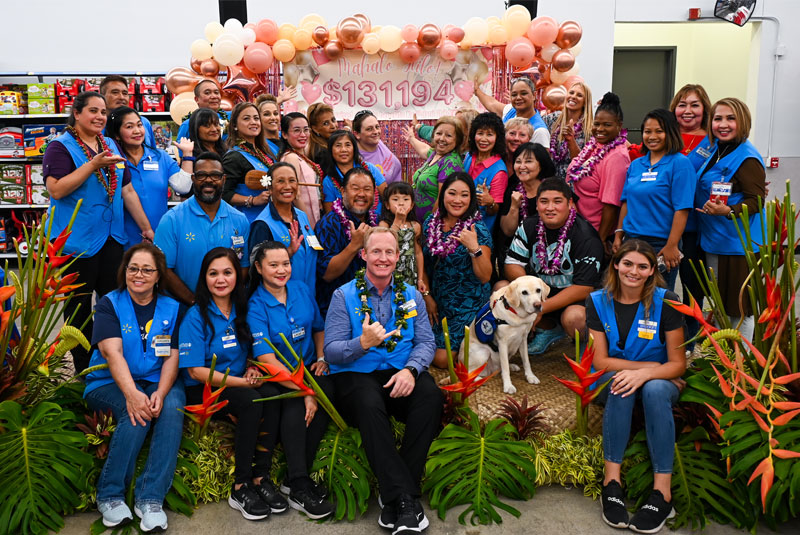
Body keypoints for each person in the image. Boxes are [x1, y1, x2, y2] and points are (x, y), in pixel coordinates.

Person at [324, 226, 440, 534]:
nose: (383, 258)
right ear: (363, 255)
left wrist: (412, 369)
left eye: (389, 252)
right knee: (367, 401)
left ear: (398, 257)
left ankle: (396, 494)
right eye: (376, 251)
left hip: (399, 372)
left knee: (430, 395)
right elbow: (332, 351)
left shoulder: (411, 294)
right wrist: (361, 343)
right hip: (357, 375)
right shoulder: (343, 295)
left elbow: (426, 342)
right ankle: (404, 499)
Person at [178, 248, 286, 521]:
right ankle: (240, 486)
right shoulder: (196, 315)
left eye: (227, 272)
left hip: (238, 382)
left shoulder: (242, 310)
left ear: (237, 276)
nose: (221, 279)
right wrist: (242, 382)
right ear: (204, 278)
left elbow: (247, 352)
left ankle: (261, 477)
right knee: (251, 402)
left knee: (272, 395)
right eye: (213, 273)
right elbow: (195, 371)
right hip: (205, 390)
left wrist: (251, 368)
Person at [83, 243, 184, 532]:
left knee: (172, 407)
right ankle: (110, 495)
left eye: (146, 269)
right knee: (136, 415)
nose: (138, 274)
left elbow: (172, 357)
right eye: (133, 268)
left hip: (156, 379)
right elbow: (111, 353)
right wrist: (132, 394)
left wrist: (161, 393)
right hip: (108, 382)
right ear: (124, 271)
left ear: (158, 276)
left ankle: (150, 499)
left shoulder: (172, 308)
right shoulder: (109, 304)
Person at [589, 239, 686, 534]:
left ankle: (662, 493)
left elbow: (678, 363)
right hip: (616, 375)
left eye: (642, 266)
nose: (633, 271)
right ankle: (612, 483)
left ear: (651, 270)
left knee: (655, 391)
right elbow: (601, 361)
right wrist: (642, 371)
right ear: (616, 264)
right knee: (621, 384)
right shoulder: (596, 300)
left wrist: (648, 375)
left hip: (660, 378)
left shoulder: (666, 300)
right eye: (627, 263)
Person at [246, 241, 334, 519]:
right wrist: (305, 390)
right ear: (259, 268)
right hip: (278, 374)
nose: (281, 270)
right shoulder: (256, 306)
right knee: (297, 404)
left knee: (327, 395)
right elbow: (266, 360)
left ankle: (297, 477)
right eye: (273, 265)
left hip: (308, 366)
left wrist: (321, 358)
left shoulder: (300, 289)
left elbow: (318, 327)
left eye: (286, 263)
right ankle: (298, 484)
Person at [44, 91, 129, 373]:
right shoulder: (60, 147)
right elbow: (56, 189)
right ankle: (83, 368)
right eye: (93, 111)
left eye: (103, 112)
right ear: (77, 113)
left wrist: (145, 227)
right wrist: (92, 165)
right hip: (76, 242)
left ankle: (111, 361)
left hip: (111, 238)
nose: (100, 117)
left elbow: (125, 189)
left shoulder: (110, 144)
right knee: (78, 308)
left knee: (113, 301)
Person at [505, 178, 604, 355]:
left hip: (575, 300)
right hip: (539, 293)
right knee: (503, 289)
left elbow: (584, 288)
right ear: (536, 205)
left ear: (570, 203)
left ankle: (584, 342)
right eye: (544, 202)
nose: (550, 208)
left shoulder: (586, 235)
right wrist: (530, 295)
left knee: (574, 318)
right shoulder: (529, 225)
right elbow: (512, 264)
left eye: (557, 201)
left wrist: (541, 308)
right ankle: (548, 329)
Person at [695, 97, 765, 341]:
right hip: (716, 240)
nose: (723, 124)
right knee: (720, 304)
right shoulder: (717, 148)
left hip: (738, 246)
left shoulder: (747, 158)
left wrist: (728, 211)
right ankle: (722, 357)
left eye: (730, 118)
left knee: (740, 308)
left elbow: (756, 201)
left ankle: (740, 364)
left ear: (743, 121)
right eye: (717, 118)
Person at [613, 109, 696, 292]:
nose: (652, 136)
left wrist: (672, 245)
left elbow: (682, 209)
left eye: (659, 131)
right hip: (632, 241)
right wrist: (619, 234)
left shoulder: (680, 163)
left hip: (661, 244)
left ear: (671, 132)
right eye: (647, 131)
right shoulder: (636, 165)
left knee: (658, 299)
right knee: (629, 296)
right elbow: (626, 201)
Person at [154, 151, 250, 306]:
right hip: (185, 311)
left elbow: (243, 267)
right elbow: (164, 270)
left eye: (215, 175)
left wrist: (225, 301)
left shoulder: (240, 220)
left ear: (224, 179)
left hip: (226, 311)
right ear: (193, 179)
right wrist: (195, 304)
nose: (208, 180)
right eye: (202, 175)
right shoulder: (172, 219)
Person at [421, 172, 492, 368]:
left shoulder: (476, 229)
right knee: (416, 344)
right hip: (436, 300)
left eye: (464, 195)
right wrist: (427, 297)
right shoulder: (430, 224)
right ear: (443, 195)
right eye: (452, 193)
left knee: (441, 360)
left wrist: (474, 248)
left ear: (471, 199)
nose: (457, 200)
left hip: (466, 302)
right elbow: (422, 265)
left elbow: (485, 276)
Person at [106, 106, 193, 248]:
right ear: (116, 134)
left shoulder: (160, 156)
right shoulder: (112, 160)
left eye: (139, 125)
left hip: (160, 235)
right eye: (129, 126)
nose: (137, 131)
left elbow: (183, 187)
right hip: (123, 239)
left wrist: (188, 155)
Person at [567, 92, 631, 253]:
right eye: (597, 124)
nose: (600, 129)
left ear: (619, 126)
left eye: (607, 125)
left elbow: (611, 204)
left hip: (595, 234)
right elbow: (578, 167)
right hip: (579, 228)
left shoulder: (616, 157)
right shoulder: (595, 144)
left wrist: (600, 240)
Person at [248, 162, 321, 295]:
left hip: (308, 299)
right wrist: (288, 253)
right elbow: (256, 270)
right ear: (269, 188)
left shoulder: (302, 216)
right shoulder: (263, 225)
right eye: (280, 181)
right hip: (279, 303)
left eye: (292, 180)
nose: (287, 186)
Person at [314, 167, 377, 317]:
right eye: (355, 189)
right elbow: (327, 274)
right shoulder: (329, 224)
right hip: (338, 310)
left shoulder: (376, 221)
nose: (361, 194)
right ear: (343, 191)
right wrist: (355, 245)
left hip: (371, 306)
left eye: (367, 189)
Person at [497, 143, 556, 268]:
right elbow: (507, 231)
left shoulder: (554, 188)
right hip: (518, 255)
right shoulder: (512, 190)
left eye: (528, 161)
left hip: (553, 251)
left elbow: (572, 219)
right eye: (518, 161)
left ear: (541, 164)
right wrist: (514, 207)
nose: (522, 166)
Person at [222, 102, 275, 221]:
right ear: (235, 125)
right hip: (248, 221)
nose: (253, 122)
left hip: (269, 218)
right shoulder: (234, 157)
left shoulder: (264, 153)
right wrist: (253, 200)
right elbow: (224, 194)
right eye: (246, 118)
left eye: (256, 118)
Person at [404, 116, 464, 222]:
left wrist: (431, 225)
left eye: (448, 135)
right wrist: (411, 139)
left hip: (432, 226)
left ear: (457, 140)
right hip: (418, 222)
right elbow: (424, 149)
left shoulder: (450, 163)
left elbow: (442, 200)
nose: (442, 139)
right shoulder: (436, 154)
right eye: (439, 133)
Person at [462, 112, 508, 234]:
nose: (484, 139)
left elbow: (494, 211)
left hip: (479, 232)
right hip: (458, 225)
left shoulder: (499, 171)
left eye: (489, 134)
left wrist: (490, 202)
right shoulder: (469, 156)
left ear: (497, 138)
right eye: (480, 133)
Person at [321, 129, 386, 214]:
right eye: (338, 145)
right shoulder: (328, 181)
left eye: (348, 145)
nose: (343, 150)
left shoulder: (370, 169)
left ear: (354, 148)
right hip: (345, 226)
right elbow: (330, 214)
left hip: (377, 223)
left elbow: (387, 198)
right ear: (331, 150)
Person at [474, 77, 550, 146]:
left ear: (534, 95)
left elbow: (542, 159)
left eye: (524, 93)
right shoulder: (511, 111)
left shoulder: (539, 131)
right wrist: (477, 91)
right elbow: (492, 104)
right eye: (514, 95)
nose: (518, 98)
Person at [379, 181, 425, 291]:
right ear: (387, 205)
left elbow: (418, 253)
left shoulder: (415, 226)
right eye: (395, 199)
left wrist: (420, 279)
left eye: (406, 199)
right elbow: (387, 241)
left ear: (412, 204)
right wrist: (398, 220)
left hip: (410, 272)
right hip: (392, 271)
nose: (401, 203)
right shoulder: (384, 225)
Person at [280, 112, 323, 228]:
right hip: (304, 221)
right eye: (297, 130)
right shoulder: (291, 158)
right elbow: (295, 194)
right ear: (284, 134)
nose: (303, 135)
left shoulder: (302, 156)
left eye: (306, 130)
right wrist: (306, 224)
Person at [544, 81, 593, 179]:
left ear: (585, 102)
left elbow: (583, 162)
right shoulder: (551, 119)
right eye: (571, 93)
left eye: (579, 95)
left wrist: (571, 140)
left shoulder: (590, 129)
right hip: (549, 182)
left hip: (573, 182)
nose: (573, 96)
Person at [100, 75, 156, 148]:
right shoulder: (97, 125)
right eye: (115, 92)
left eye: (125, 93)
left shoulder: (144, 122)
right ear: (102, 96)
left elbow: (153, 153)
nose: (121, 97)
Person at [352, 109, 403, 184]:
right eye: (369, 129)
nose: (376, 132)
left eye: (377, 127)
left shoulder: (377, 142)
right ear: (357, 134)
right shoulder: (357, 160)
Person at [175, 80, 230, 144]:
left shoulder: (232, 118)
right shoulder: (188, 124)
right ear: (197, 99)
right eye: (207, 93)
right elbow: (182, 151)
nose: (214, 96)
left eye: (216, 92)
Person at [414, 106, 478, 155]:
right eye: (439, 134)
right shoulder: (444, 135)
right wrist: (417, 126)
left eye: (458, 123)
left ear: (469, 128)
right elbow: (429, 132)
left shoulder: (475, 155)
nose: (442, 139)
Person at [307, 102, 337, 170]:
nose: (333, 126)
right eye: (326, 123)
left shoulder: (328, 146)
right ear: (315, 129)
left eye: (333, 120)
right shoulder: (322, 153)